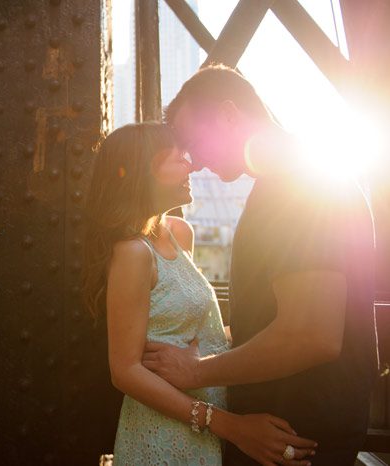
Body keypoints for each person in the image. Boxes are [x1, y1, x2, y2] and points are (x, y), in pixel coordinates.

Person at [142, 65, 378, 465]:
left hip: (293, 441)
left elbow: (311, 334)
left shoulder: (295, 184)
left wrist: (196, 371)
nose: (194, 162)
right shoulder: (298, 176)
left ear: (230, 115)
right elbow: (283, 315)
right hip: (295, 432)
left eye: (195, 143)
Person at [82, 122, 316, 465]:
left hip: (206, 430)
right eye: (178, 158)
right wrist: (226, 425)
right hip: (164, 432)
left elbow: (197, 334)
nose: (190, 165)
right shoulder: (134, 253)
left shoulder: (179, 232)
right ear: (139, 170)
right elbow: (125, 369)